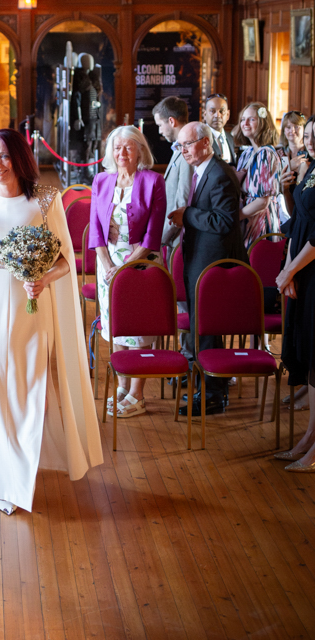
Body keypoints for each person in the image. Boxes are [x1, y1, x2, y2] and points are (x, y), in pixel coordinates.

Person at [0, 129, 102, 514]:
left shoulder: (46, 200)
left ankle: (20, 471)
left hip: (32, 306)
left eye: (3, 156)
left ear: (19, 158)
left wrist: (43, 278)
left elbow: (66, 259)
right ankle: (6, 481)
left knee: (30, 389)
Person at [168, 122, 247, 416]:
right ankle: (210, 387)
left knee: (209, 329)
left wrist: (187, 215)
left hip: (214, 266)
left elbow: (224, 221)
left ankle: (213, 394)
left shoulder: (220, 174)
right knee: (203, 328)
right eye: (180, 146)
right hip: (201, 260)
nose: (183, 151)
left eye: (187, 144)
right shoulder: (205, 171)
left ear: (204, 143)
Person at [89, 125, 167, 417]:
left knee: (137, 329)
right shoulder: (101, 180)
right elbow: (95, 228)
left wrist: (127, 264)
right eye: (117, 147)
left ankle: (137, 395)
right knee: (115, 326)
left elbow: (153, 234)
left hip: (140, 262)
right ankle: (123, 385)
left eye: (128, 147)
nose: (121, 153)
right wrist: (107, 263)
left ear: (140, 151)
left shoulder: (153, 181)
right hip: (107, 263)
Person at [275, 118, 315, 471]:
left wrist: (291, 269)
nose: (311, 141)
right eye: (310, 135)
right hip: (302, 270)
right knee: (309, 355)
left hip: (313, 270)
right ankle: (308, 438)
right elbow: (298, 220)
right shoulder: (311, 168)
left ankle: (313, 449)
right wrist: (288, 270)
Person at [232, 102, 282, 248]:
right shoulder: (246, 153)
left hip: (260, 224)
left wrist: (234, 217)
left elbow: (262, 202)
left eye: (251, 119)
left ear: (263, 123)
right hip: (245, 221)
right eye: (243, 119)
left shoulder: (266, 153)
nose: (245, 123)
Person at [153, 96, 193, 255]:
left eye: (160, 125)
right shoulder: (179, 149)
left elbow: (182, 202)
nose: (159, 131)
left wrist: (162, 237)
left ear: (171, 121)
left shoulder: (186, 151)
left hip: (178, 239)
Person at [276, 110, 308, 222]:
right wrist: (289, 166)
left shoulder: (311, 153)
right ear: (284, 130)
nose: (292, 130)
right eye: (288, 127)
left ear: (304, 129)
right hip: (281, 205)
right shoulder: (277, 153)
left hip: (304, 204)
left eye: (296, 126)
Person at [203, 93, 236, 164]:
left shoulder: (230, 138)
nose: (217, 115)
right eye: (212, 111)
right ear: (205, 114)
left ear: (227, 115)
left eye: (221, 111)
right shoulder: (199, 138)